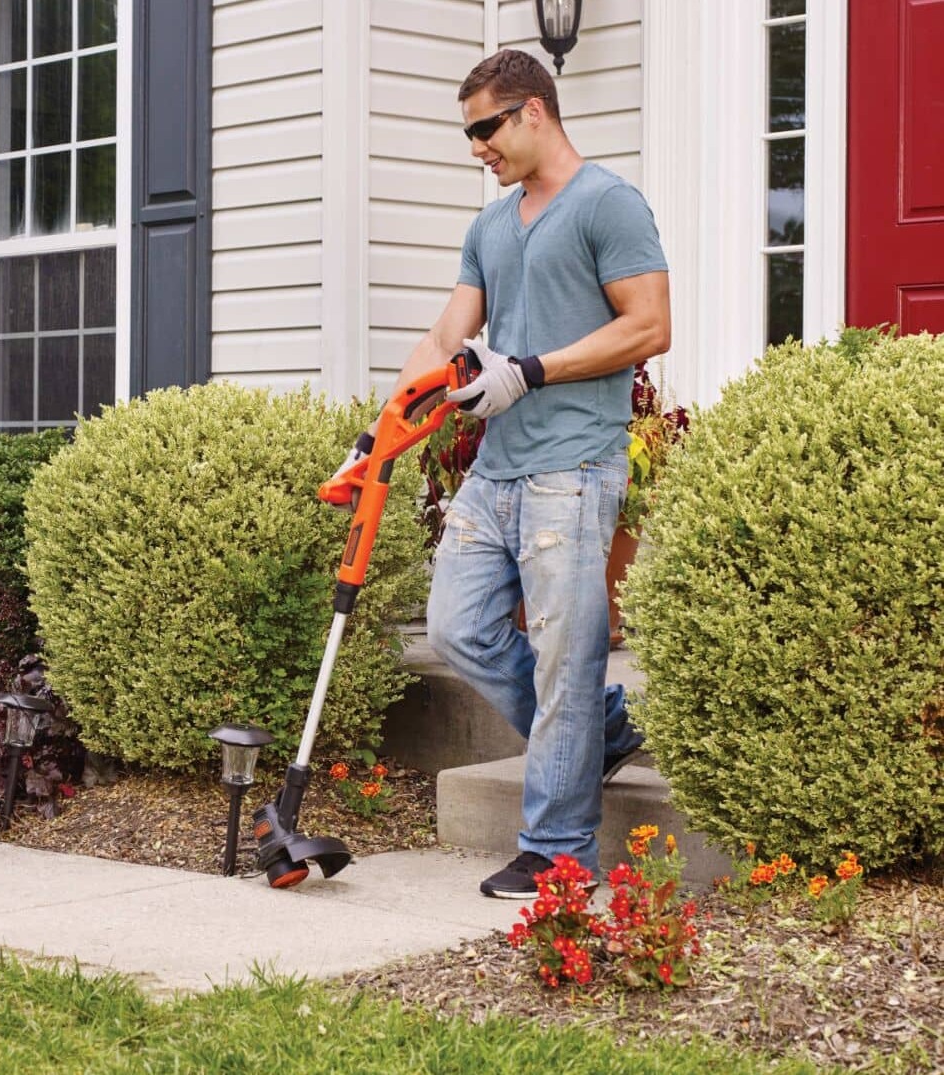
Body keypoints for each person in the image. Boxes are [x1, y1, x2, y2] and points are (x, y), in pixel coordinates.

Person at [341, 50, 671, 897]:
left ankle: (560, 849)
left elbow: (649, 326)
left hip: (574, 465)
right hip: (497, 472)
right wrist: (379, 432)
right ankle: (597, 734)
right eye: (468, 133)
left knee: (566, 656)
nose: (476, 148)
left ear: (533, 112)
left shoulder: (608, 204)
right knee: (457, 628)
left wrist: (530, 368)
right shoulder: (490, 228)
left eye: (485, 128)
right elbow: (443, 340)